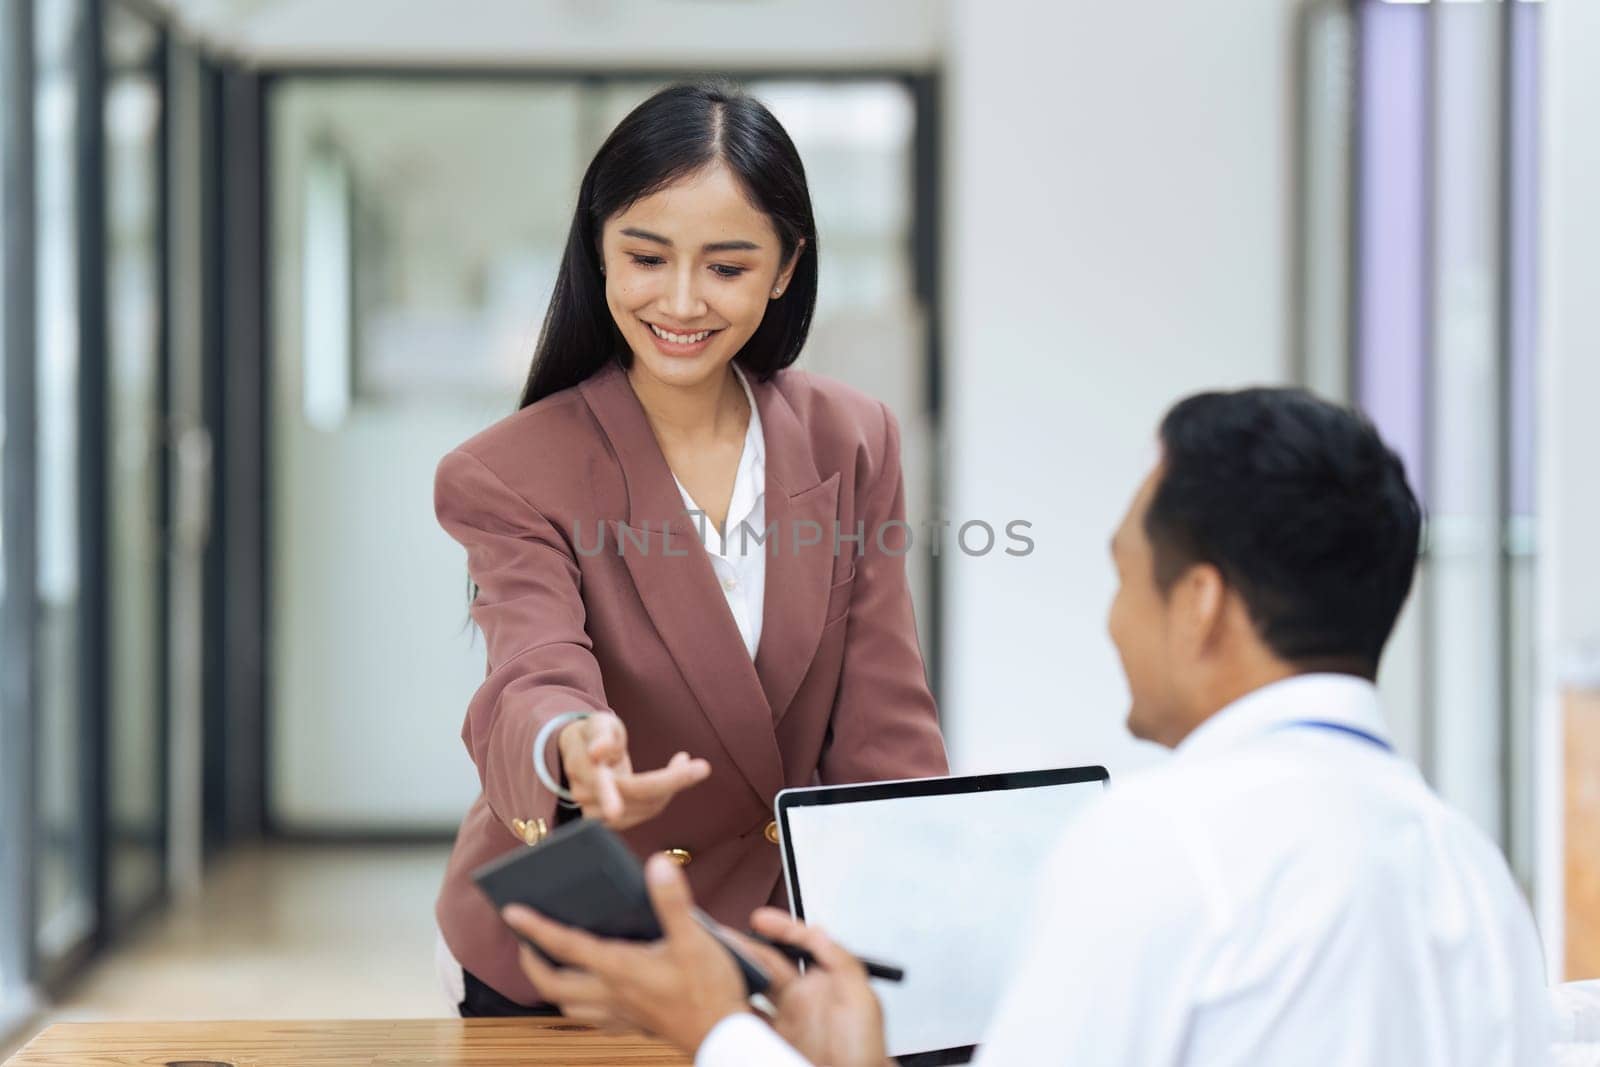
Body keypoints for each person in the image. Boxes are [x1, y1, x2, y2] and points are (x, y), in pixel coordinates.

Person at [502, 387, 1554, 1065]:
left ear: (1200, 604)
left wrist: (720, 1029)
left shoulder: (1165, 849)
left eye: (1122, 575)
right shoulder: (1477, 877)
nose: (1109, 617)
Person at [432, 80, 949, 1016]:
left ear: (787, 266)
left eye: (726, 266)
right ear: (599, 249)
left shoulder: (853, 436)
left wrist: (931, 921)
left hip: (772, 938)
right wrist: (574, 745)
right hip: (572, 944)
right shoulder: (508, 469)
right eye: (646, 256)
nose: (680, 301)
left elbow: (885, 725)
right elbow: (531, 669)